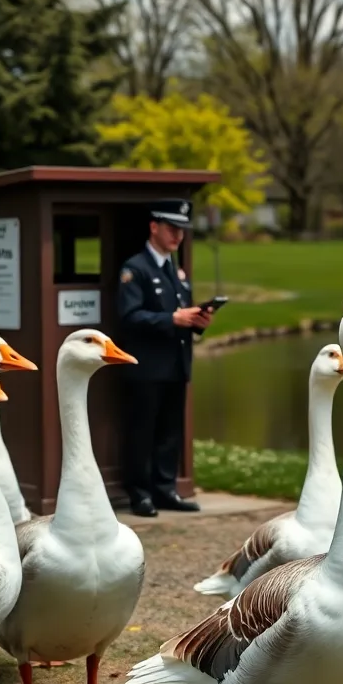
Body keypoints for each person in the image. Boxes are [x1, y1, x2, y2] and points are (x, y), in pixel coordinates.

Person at [116, 199, 212, 517]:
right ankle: (140, 493)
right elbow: (129, 317)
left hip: (175, 363)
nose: (177, 236)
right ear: (154, 227)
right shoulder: (135, 269)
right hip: (146, 366)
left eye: (181, 230)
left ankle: (165, 489)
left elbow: (180, 313)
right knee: (142, 432)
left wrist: (197, 321)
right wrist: (172, 319)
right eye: (172, 229)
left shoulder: (176, 270)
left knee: (170, 432)